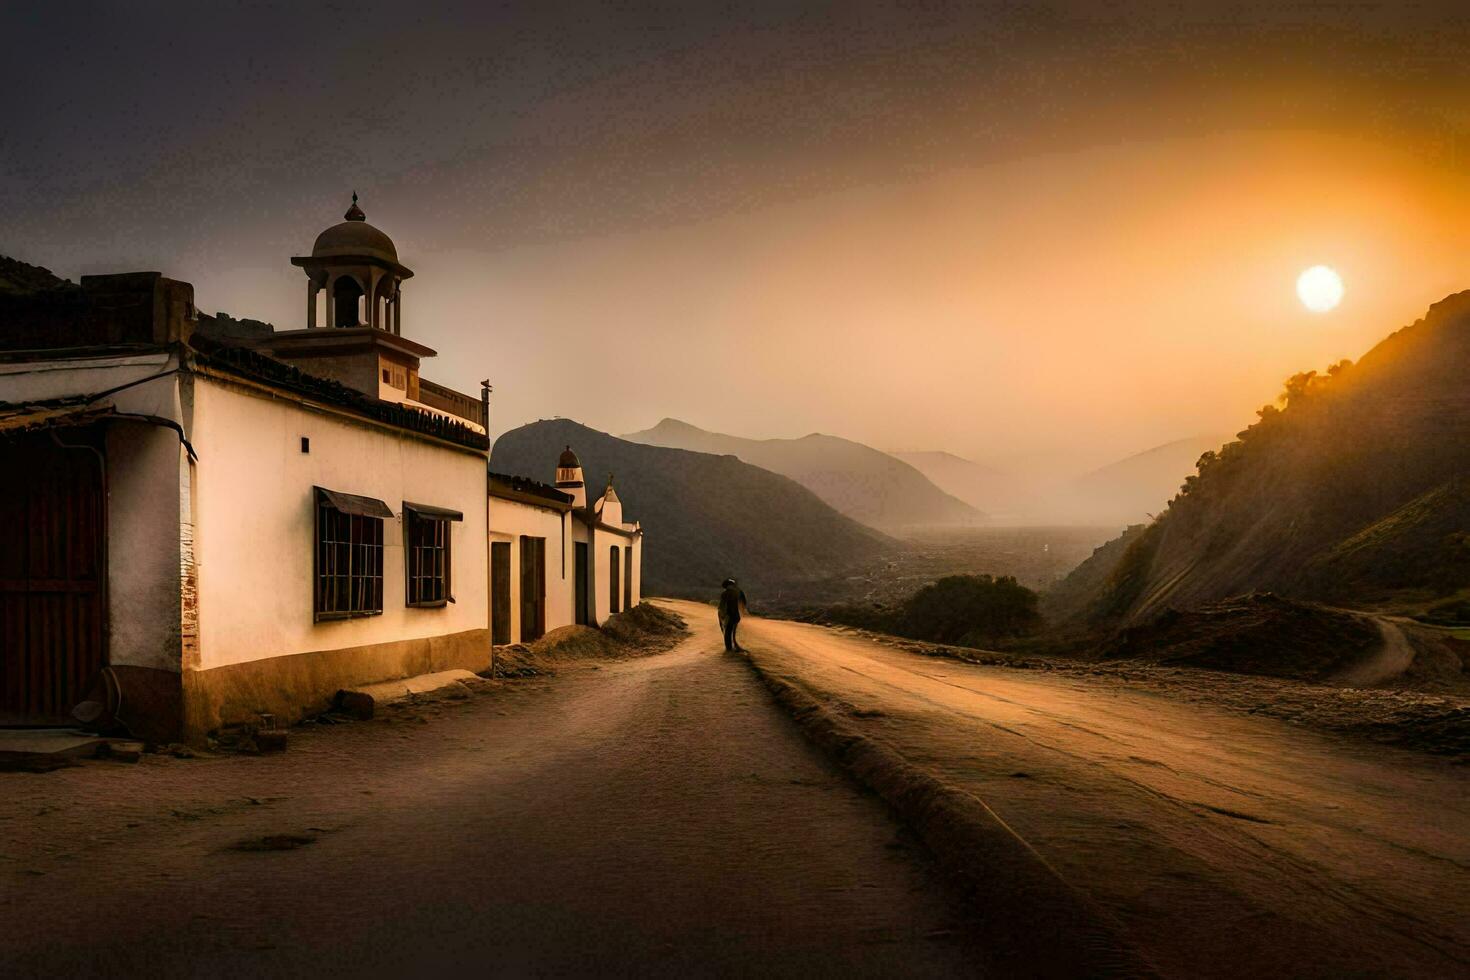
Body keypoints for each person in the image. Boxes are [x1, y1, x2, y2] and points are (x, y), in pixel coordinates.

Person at [718, 577, 748, 652]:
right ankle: (734, 645)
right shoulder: (739, 592)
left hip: (729, 615)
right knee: (732, 630)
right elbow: (744, 603)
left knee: (728, 631)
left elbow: (722, 606)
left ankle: (729, 648)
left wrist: (722, 615)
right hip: (736, 615)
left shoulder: (725, 593)